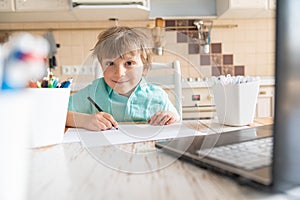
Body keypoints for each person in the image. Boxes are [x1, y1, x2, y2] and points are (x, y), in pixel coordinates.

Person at [66, 26, 179, 131]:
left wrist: (170, 117)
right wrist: (85, 120)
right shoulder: (93, 92)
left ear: (144, 67)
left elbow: (176, 120)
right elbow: (55, 113)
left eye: (129, 63)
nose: (119, 73)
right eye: (110, 63)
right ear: (101, 66)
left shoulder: (157, 96)